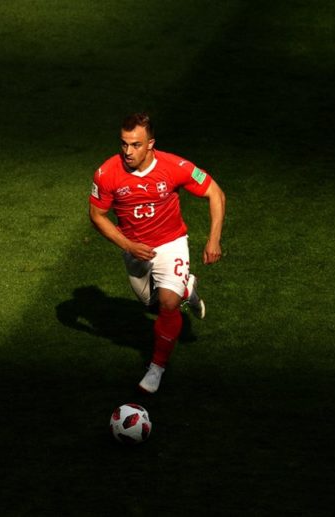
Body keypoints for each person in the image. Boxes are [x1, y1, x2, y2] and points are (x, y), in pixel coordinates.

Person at [89, 113, 225, 393]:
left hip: (170, 243)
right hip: (134, 249)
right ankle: (187, 286)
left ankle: (157, 367)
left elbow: (215, 193)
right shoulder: (106, 173)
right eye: (124, 143)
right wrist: (128, 246)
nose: (128, 151)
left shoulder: (175, 166)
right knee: (149, 302)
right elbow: (97, 215)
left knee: (168, 304)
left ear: (151, 143)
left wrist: (213, 240)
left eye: (135, 145)